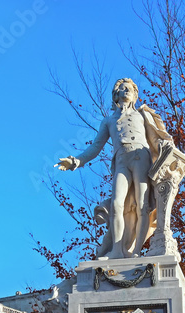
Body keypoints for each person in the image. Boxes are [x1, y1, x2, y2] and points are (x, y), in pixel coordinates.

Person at [55, 78, 174, 259]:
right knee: (117, 204)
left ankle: (135, 252)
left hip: (141, 159)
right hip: (121, 162)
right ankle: (117, 251)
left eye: (130, 89)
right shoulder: (109, 120)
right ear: (116, 95)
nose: (126, 91)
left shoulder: (142, 115)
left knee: (143, 206)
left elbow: (155, 140)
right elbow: (96, 147)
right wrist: (76, 161)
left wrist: (167, 150)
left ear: (135, 95)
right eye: (122, 89)